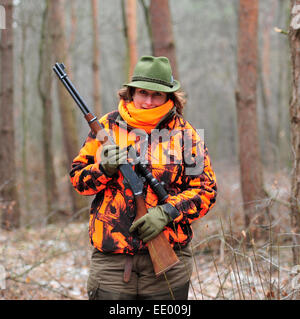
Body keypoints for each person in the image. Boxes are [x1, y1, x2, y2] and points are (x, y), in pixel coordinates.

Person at [70, 55, 217, 300]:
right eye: (142, 93)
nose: (148, 101)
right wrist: (103, 169)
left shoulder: (186, 134)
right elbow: (78, 180)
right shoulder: (106, 127)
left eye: (157, 95)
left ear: (170, 97)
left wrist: (167, 212)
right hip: (111, 264)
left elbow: (206, 190)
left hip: (169, 261)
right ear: (130, 93)